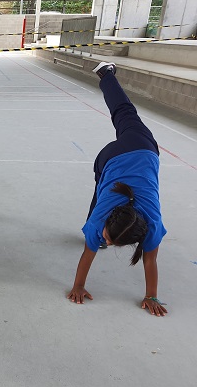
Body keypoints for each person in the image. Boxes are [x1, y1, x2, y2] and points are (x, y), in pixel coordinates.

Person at [68, 62, 167, 317]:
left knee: (123, 113)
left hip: (137, 150)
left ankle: (106, 74)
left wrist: (152, 296)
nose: (106, 240)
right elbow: (149, 259)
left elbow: (149, 259)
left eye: (107, 240)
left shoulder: (149, 226)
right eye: (108, 238)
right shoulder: (116, 221)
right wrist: (78, 286)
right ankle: (106, 74)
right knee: (100, 193)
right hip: (118, 155)